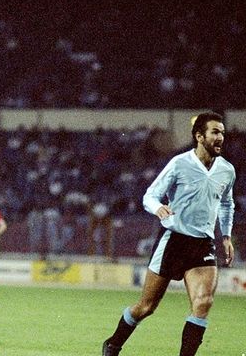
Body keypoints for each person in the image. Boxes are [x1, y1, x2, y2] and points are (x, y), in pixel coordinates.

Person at [101, 112, 236, 356]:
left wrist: (225, 236)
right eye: (215, 132)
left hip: (203, 245)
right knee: (146, 306)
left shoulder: (227, 170)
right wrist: (158, 208)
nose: (220, 138)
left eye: (223, 133)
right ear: (199, 136)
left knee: (203, 303)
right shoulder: (179, 163)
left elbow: (227, 204)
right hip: (173, 240)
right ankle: (113, 344)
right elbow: (149, 196)